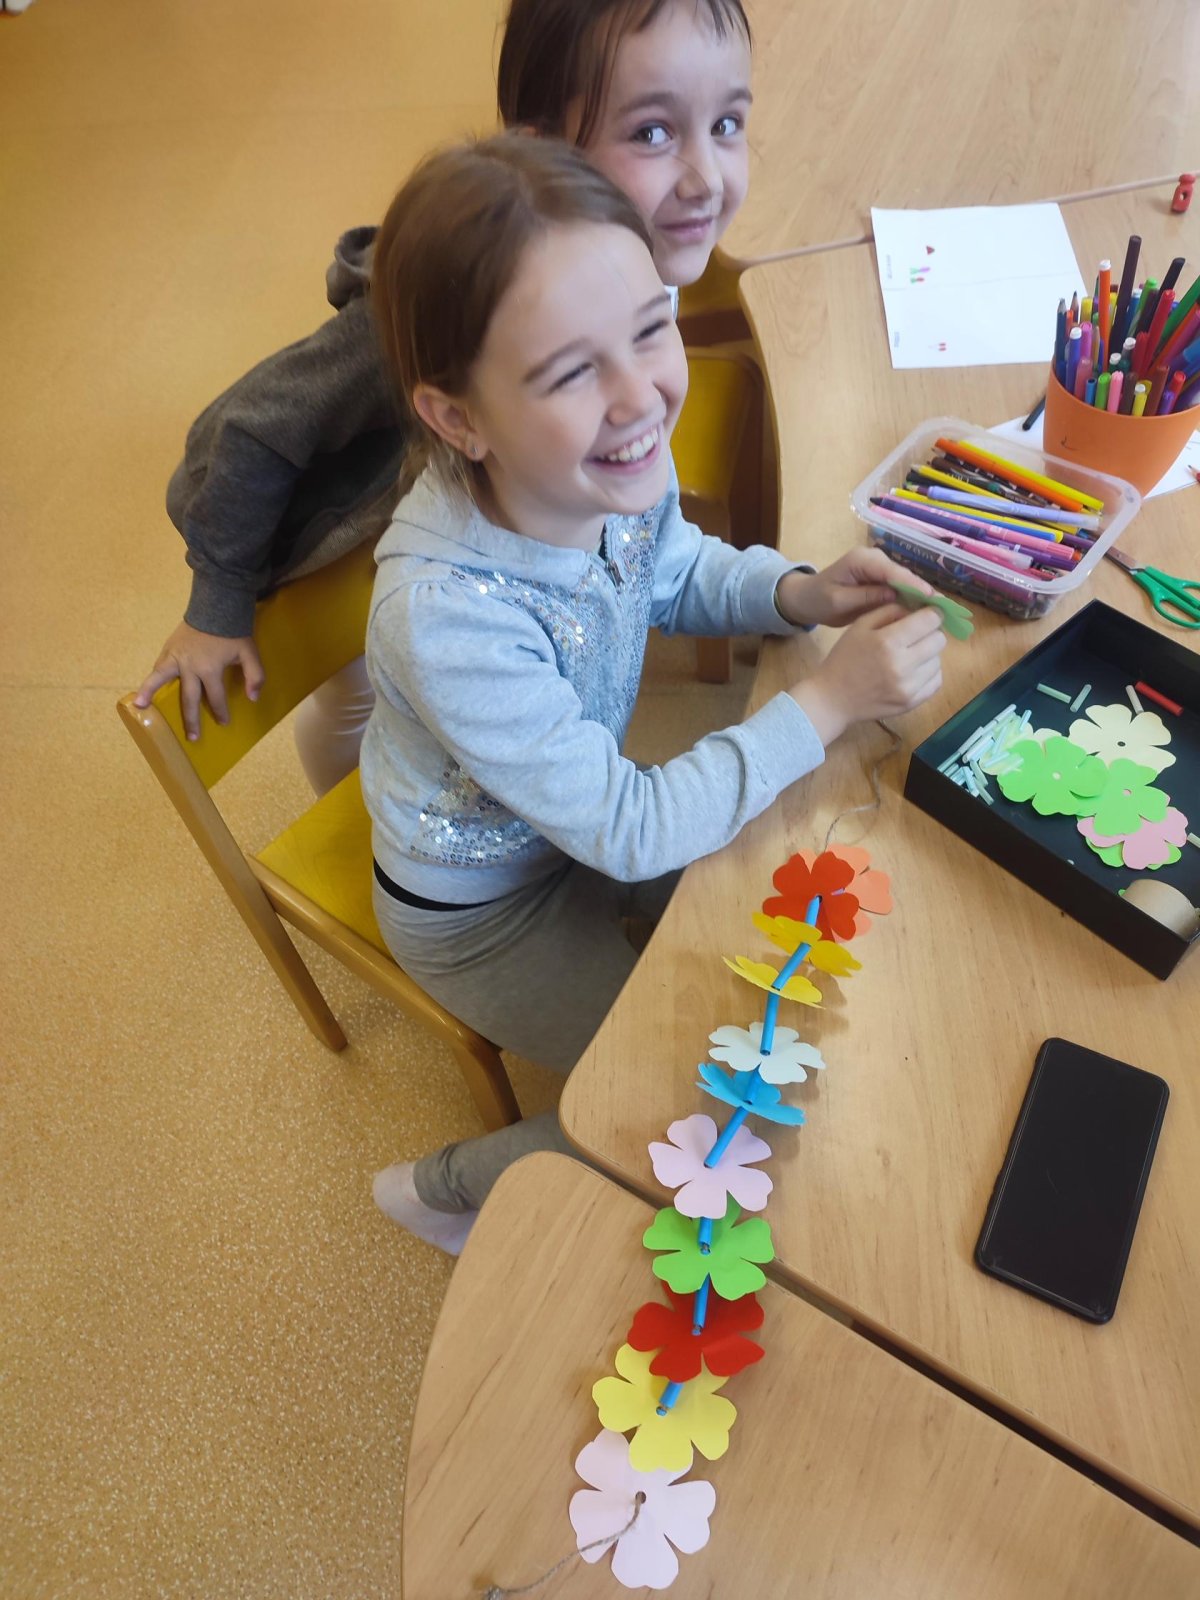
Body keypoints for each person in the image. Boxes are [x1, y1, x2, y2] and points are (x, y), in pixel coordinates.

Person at [363, 134, 945, 1254]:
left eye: (650, 326)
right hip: (480, 911)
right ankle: (446, 1188)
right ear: (458, 420)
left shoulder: (611, 454)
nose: (641, 396)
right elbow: (631, 829)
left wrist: (798, 592)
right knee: (688, 1097)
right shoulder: (445, 617)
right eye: (569, 371)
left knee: (781, 904)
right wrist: (826, 704)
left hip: (574, 821)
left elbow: (670, 569)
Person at [132, 0, 757, 792]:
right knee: (355, 701)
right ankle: (367, 806)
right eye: (653, 133)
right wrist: (215, 605)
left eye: (727, 123)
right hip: (336, 534)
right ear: (542, 147)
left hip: (463, 501)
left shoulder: (632, 248)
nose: (707, 178)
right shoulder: (425, 326)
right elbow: (250, 432)